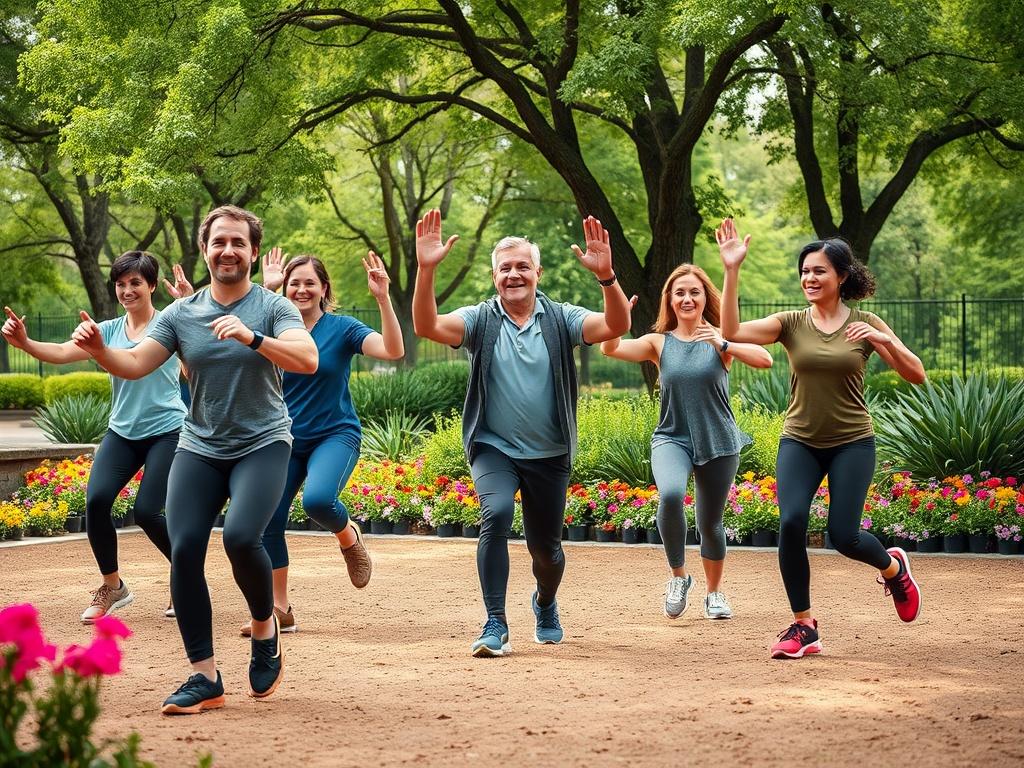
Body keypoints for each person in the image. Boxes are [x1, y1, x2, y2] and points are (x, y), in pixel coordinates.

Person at [70, 204, 318, 713]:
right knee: (184, 549)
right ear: (205, 250)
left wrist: (252, 337)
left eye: (238, 242)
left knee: (241, 537)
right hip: (200, 446)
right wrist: (99, 350)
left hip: (263, 442)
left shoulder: (273, 307)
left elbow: (307, 358)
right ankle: (205, 677)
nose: (228, 250)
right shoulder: (181, 313)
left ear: (252, 251)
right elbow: (135, 363)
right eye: (218, 241)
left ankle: (264, 626)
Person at [412, 209, 631, 657]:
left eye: (522, 266)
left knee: (546, 551)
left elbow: (617, 326)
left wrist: (607, 278)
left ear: (537, 273)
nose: (514, 274)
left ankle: (545, 602)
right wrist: (426, 269)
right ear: (495, 277)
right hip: (493, 446)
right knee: (495, 515)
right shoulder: (480, 319)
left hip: (550, 451)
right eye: (505, 268)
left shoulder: (561, 318)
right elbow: (426, 326)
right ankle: (495, 622)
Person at [715, 218, 925, 659]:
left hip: (852, 442)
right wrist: (731, 270)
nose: (809, 278)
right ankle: (804, 626)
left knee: (844, 536)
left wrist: (883, 339)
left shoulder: (866, 323)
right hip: (800, 441)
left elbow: (916, 374)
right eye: (805, 271)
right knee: (791, 522)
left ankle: (893, 569)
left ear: (841, 276)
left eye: (819, 271)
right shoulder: (791, 323)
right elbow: (731, 332)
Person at [2, 252, 186, 624]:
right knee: (97, 501)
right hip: (123, 431)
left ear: (152, 285)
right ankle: (113, 586)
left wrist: (189, 305)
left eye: (135, 283)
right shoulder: (109, 330)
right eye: (121, 284)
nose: (127, 290)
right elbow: (61, 351)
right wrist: (25, 343)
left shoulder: (170, 324)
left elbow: (199, 358)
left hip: (167, 430)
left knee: (148, 511)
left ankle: (185, 575)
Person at [234, 248, 403, 636]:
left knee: (318, 500)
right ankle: (280, 609)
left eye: (310, 283)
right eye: (294, 283)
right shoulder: (272, 328)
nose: (301, 290)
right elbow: (236, 341)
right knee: (268, 520)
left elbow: (393, 351)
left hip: (334, 434)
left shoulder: (342, 328)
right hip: (282, 438)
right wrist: (266, 290)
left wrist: (382, 298)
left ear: (324, 288)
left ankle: (348, 536)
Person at [600, 265, 772, 620]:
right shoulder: (658, 342)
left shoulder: (721, 338)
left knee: (710, 523)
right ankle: (679, 577)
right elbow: (609, 349)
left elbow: (765, 359)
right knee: (671, 495)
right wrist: (617, 321)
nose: (687, 298)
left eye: (694, 292)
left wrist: (722, 343)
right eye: (679, 292)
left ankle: (714, 594)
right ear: (670, 300)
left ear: (706, 297)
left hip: (718, 440)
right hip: (672, 437)